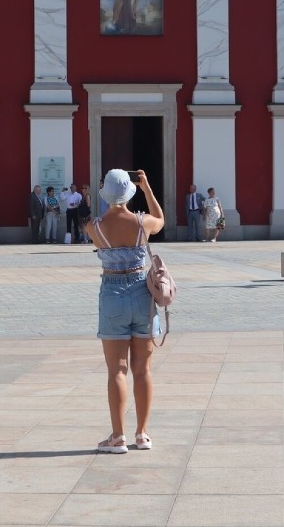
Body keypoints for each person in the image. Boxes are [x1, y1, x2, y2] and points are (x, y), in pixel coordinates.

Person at [85, 168, 163, 454]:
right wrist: (147, 190)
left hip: (112, 294)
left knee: (116, 370)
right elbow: (161, 220)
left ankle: (117, 436)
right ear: (129, 191)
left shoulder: (94, 227)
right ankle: (142, 434)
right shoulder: (143, 223)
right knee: (143, 370)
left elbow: (103, 230)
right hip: (141, 293)